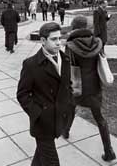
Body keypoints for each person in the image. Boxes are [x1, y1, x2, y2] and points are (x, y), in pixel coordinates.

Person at [17, 22, 74, 166]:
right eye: (53, 39)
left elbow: (68, 85)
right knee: (52, 162)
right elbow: (22, 94)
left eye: (59, 38)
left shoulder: (65, 59)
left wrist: (69, 103)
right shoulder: (31, 64)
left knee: (40, 157)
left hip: (58, 119)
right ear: (43, 41)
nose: (58, 43)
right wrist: (37, 113)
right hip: (42, 124)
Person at [64, 16, 116, 162]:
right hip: (94, 87)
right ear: (86, 26)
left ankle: (66, 131)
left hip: (77, 86)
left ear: (74, 27)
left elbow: (67, 68)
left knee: (71, 108)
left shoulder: (70, 45)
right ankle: (109, 150)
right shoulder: (97, 42)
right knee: (99, 118)